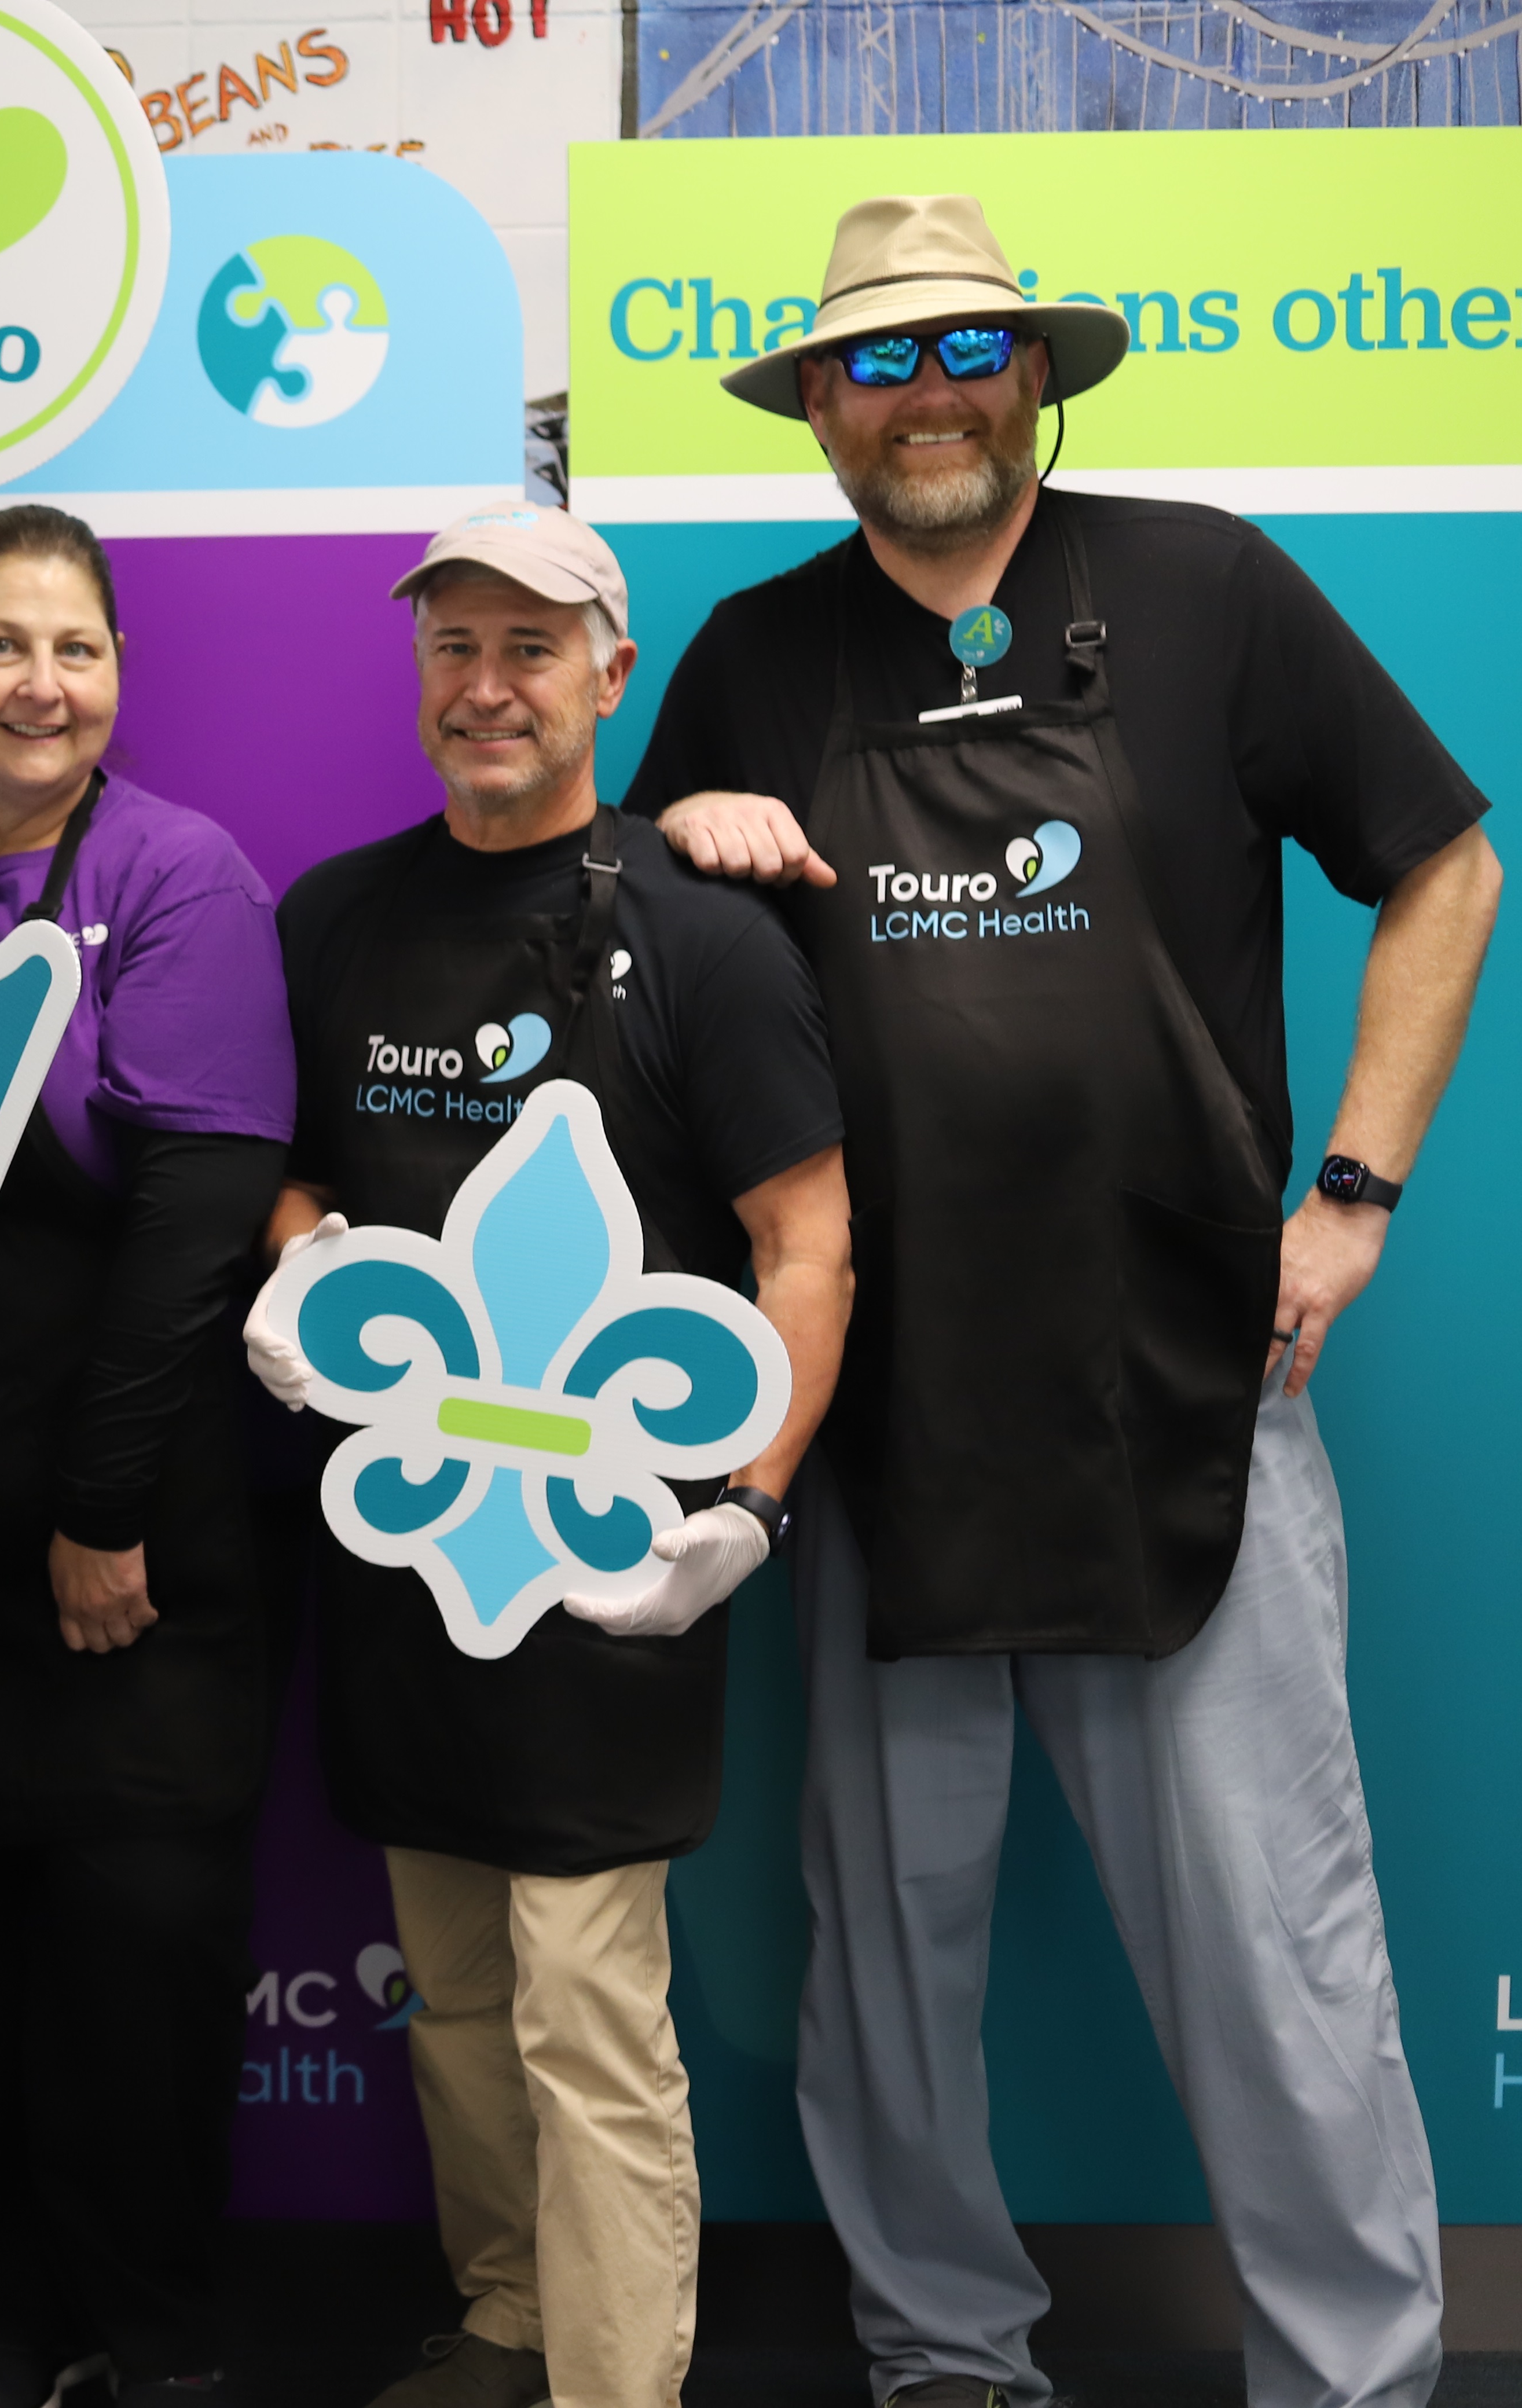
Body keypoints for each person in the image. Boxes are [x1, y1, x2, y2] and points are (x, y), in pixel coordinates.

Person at [625, 194, 1498, 2408]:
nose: (924, 397)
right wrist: (675, 845)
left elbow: (1447, 862)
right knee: (888, 1968)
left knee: (1281, 1949)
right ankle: (945, 2356)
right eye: (876, 364)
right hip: (881, 1413)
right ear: (818, 409)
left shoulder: (1209, 589)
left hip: (1186, 1389)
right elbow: (636, 982)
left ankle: (1357, 2377)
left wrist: (1356, 1194)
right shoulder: (751, 658)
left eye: (964, 354)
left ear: (1036, 374)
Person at [250, 503, 852, 2408]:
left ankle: (613, 2381)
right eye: (455, 646)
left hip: (614, 1565)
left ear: (612, 674)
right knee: (453, 1988)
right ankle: (509, 2312)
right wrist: (295, 1275)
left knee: (589, 2009)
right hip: (413, 1551)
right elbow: (295, 1177)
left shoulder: (706, 941)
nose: (487, 687)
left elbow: (807, 1242)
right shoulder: (332, 918)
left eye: (532, 648)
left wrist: (748, 1511)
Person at [0, 506, 296, 2408]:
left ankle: (155, 2334)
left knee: (135, 1962)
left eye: (77, 649)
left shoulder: (180, 874)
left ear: (118, 676)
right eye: (1, 645)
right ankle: (3, 2312)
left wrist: (98, 1516)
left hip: (134, 1541)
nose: (42, 685)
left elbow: (195, 1230)